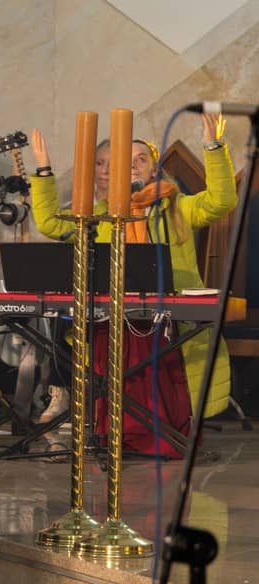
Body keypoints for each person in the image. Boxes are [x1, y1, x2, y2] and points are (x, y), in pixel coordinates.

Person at [28, 115, 236, 456]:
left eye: (142, 160)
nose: (134, 166)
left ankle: (163, 438)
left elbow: (221, 202)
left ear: (154, 170)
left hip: (167, 322)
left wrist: (213, 146)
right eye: (127, 161)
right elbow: (50, 223)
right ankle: (114, 435)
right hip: (114, 319)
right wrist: (43, 170)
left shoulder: (177, 208)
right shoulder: (101, 214)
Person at [24, 135, 112, 425]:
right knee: (63, 314)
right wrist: (44, 169)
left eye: (113, 165)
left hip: (122, 298)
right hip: (88, 296)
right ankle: (61, 391)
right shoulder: (83, 207)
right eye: (99, 163)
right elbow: (50, 223)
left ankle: (105, 402)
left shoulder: (138, 206)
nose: (105, 171)